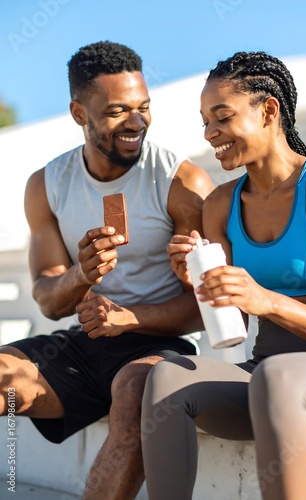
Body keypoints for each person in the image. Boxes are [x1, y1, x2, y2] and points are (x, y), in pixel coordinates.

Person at [141, 51, 306, 500]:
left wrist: (267, 299)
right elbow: (230, 325)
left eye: (222, 117)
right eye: (204, 122)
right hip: (265, 376)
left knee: (277, 377)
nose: (210, 133)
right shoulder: (220, 205)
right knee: (166, 377)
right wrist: (201, 281)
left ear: (269, 110)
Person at [0, 41, 214, 500]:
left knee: (138, 391)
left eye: (143, 108)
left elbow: (205, 309)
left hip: (160, 346)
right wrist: (82, 275)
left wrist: (129, 318)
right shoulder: (46, 185)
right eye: (118, 111)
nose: (136, 123)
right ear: (80, 113)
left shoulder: (182, 182)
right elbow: (48, 301)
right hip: (86, 345)